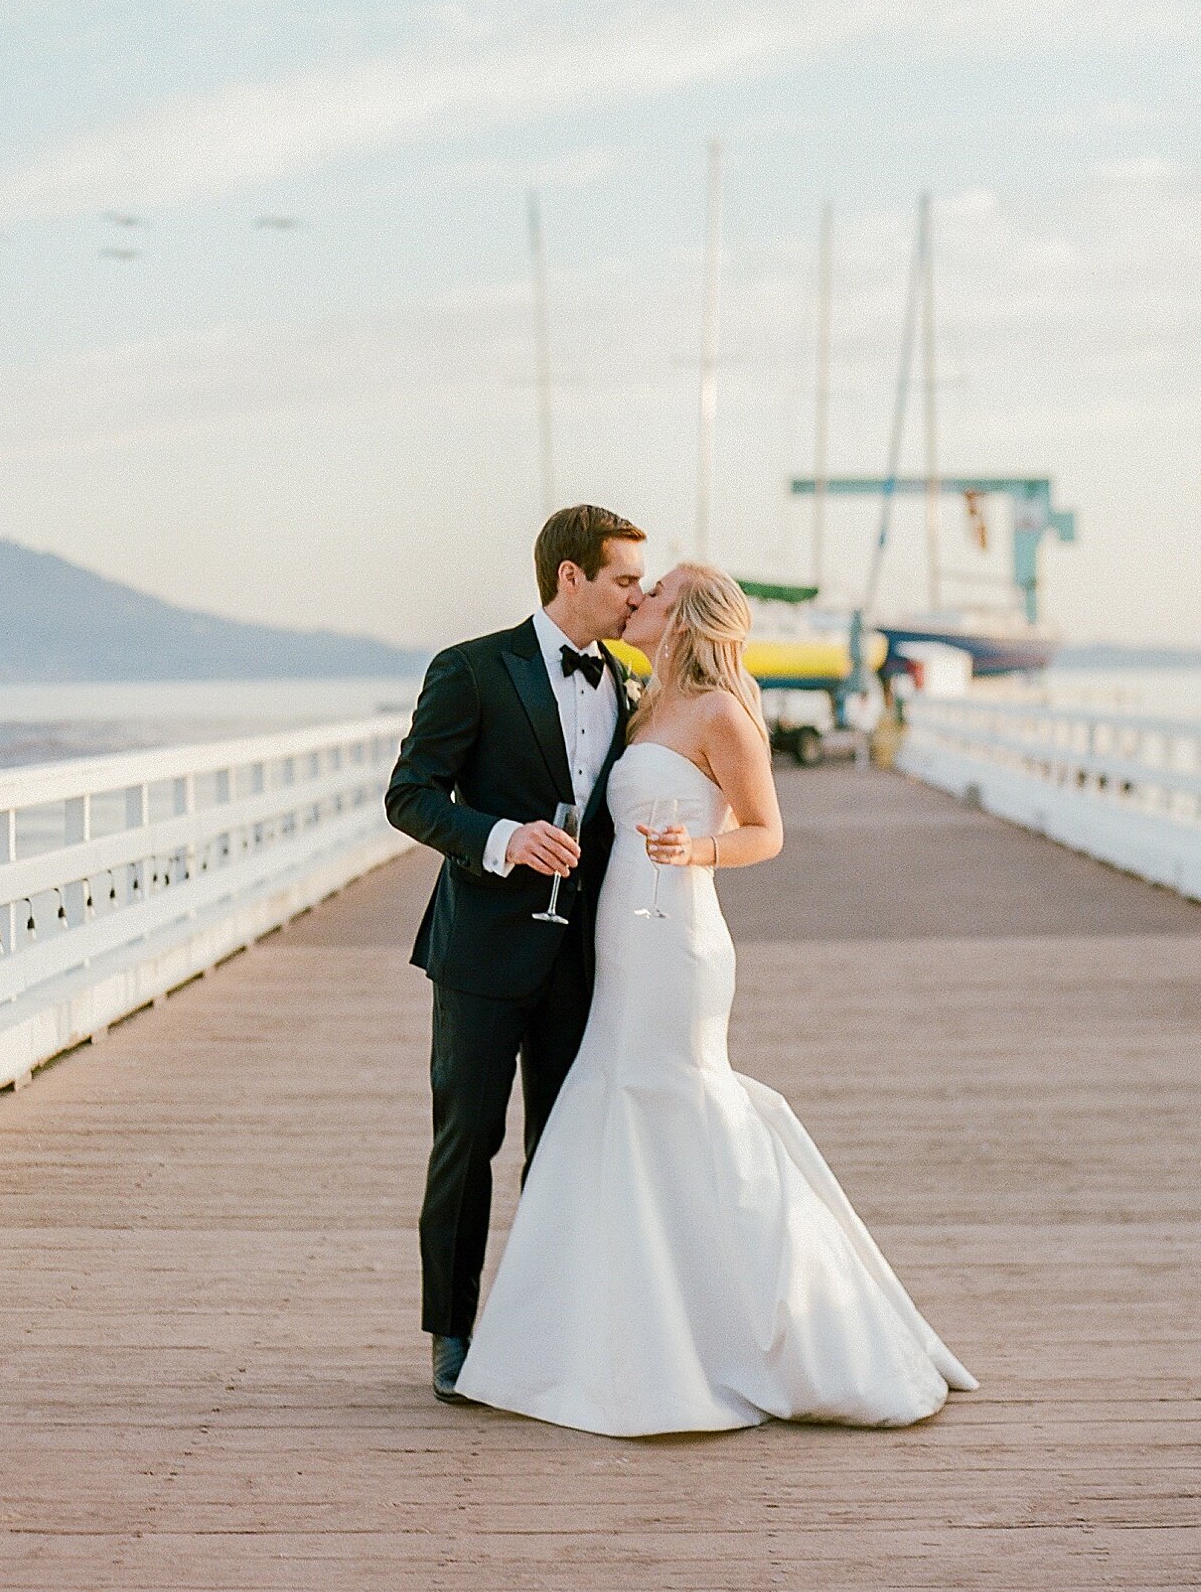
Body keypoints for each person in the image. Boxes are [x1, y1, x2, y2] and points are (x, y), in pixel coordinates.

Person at [451, 561, 979, 1435]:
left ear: (686, 617)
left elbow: (766, 830)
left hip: (680, 939)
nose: (636, 599)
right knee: (611, 1102)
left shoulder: (722, 713)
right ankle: (604, 1337)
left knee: (681, 1101)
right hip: (619, 935)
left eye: (652, 592)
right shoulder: (641, 702)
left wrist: (701, 851)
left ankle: (763, 1333)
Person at [384, 504, 647, 1402]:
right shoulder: (469, 669)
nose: (636, 597)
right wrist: (502, 837)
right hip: (482, 956)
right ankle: (451, 1337)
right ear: (569, 577)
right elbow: (410, 795)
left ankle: (544, 1324)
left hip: (585, 959)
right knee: (467, 1143)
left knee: (565, 1147)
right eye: (623, 581)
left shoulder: (632, 683)